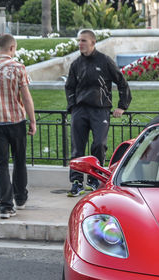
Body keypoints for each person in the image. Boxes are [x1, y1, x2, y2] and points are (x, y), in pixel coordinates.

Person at [65, 29, 132, 197]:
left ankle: (95, 180)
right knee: (77, 148)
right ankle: (77, 183)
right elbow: (69, 87)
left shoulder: (105, 61)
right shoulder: (76, 64)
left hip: (100, 110)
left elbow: (122, 83)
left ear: (93, 43)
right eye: (79, 40)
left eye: (84, 41)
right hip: (79, 111)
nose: (80, 43)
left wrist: (122, 106)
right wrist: (72, 107)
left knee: (99, 145)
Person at [0, 34, 37, 219]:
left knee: (1, 165)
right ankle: (20, 199)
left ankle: (5, 206)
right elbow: (26, 98)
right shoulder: (18, 67)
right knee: (19, 161)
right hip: (16, 122)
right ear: (12, 47)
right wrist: (33, 121)